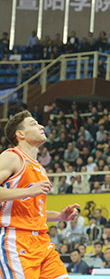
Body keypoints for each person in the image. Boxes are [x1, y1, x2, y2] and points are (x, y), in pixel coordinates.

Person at [0, 111, 80, 279]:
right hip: (17, 240)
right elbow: (26, 195)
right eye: (33, 124)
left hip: (42, 241)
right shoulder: (12, 157)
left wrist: (59, 216)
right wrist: (27, 191)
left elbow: (32, 211)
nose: (42, 126)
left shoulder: (39, 168)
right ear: (20, 134)